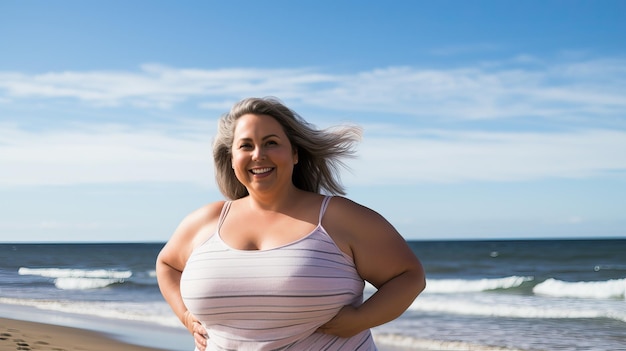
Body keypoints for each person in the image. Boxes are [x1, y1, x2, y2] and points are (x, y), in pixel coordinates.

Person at [156, 97, 426, 351]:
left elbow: (408, 276)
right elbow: (167, 264)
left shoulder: (339, 218)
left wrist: (361, 318)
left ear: (295, 153)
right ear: (232, 158)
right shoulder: (204, 221)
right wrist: (185, 315)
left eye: (271, 142)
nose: (258, 154)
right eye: (246, 145)